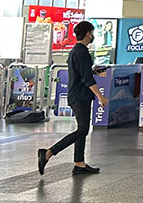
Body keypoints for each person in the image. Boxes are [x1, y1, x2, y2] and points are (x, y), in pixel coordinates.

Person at [38, 21, 109, 176]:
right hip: (80, 96)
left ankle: (79, 163)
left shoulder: (76, 50)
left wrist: (94, 72)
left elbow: (82, 73)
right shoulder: (82, 52)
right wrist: (100, 96)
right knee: (82, 129)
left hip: (77, 94)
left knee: (82, 129)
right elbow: (86, 79)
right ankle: (48, 153)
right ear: (88, 33)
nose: (92, 36)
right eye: (91, 33)